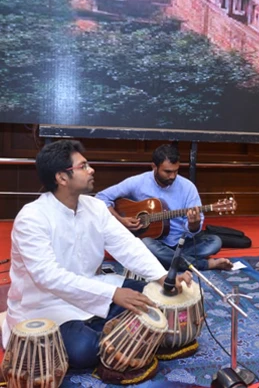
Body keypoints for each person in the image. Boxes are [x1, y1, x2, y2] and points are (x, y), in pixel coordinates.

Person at [3, 140, 193, 369]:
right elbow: (49, 277)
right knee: (84, 349)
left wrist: (162, 276)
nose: (91, 170)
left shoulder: (95, 207)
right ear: (61, 178)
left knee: (152, 295)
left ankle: (105, 329)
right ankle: (105, 330)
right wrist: (113, 294)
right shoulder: (32, 218)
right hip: (47, 304)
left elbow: (126, 245)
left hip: (93, 286)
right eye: (83, 166)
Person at [95, 144, 232, 271]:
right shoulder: (138, 182)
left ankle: (166, 260)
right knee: (147, 244)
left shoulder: (188, 187)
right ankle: (204, 264)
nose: (172, 176)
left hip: (181, 242)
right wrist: (121, 220)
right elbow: (101, 197)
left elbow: (194, 229)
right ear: (154, 167)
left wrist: (193, 225)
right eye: (167, 172)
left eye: (176, 171)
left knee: (215, 242)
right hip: (153, 242)